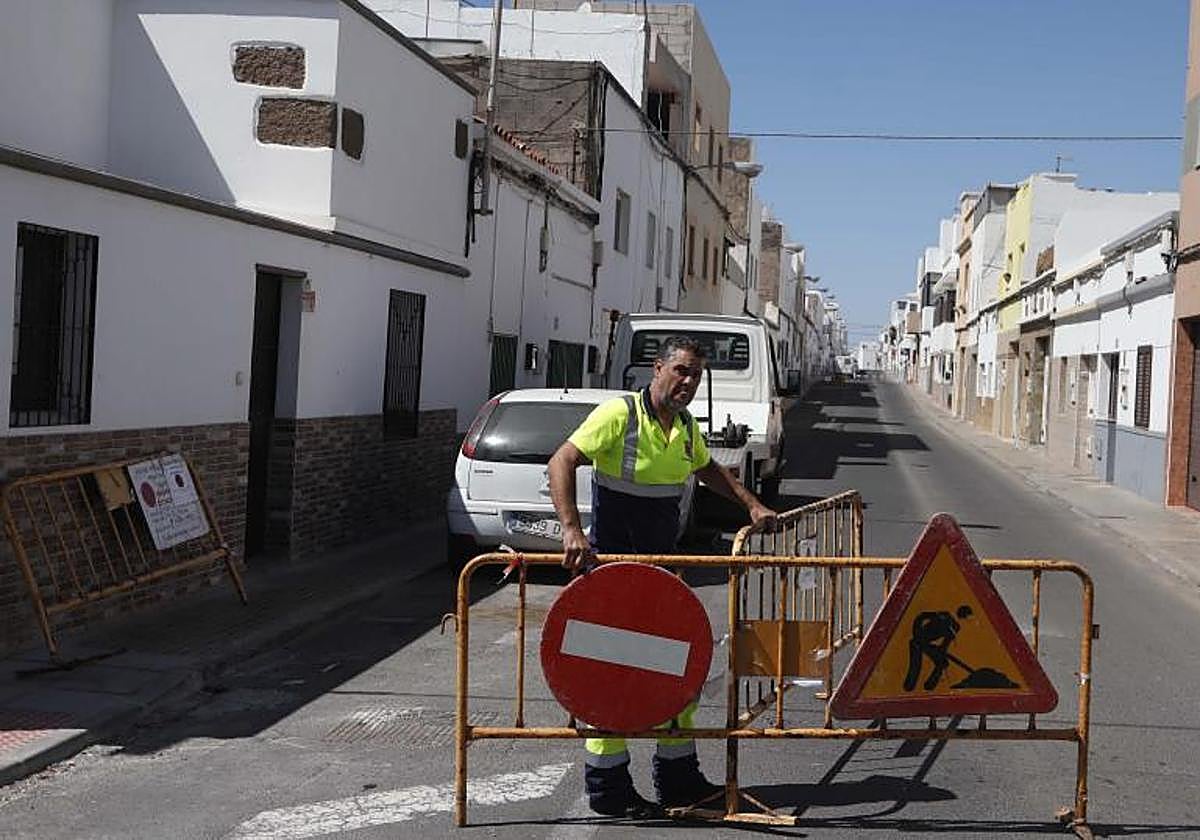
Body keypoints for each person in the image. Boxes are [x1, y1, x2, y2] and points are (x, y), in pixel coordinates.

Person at [547, 335, 777, 818]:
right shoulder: (620, 416)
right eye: (681, 370)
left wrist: (752, 505)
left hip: (660, 581)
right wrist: (571, 530)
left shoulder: (686, 426)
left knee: (677, 672)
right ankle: (608, 788)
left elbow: (708, 469)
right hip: (612, 578)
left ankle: (678, 779)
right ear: (658, 369)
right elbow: (561, 460)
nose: (688, 382)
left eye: (696, 374)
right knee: (610, 680)